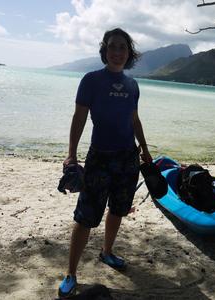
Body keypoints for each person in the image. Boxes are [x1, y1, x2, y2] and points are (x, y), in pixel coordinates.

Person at [58, 28, 152, 297]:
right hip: (99, 157)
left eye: (122, 47)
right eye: (113, 47)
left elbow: (134, 120)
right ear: (105, 50)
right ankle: (71, 273)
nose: (117, 52)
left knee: (118, 209)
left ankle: (107, 252)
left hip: (128, 158)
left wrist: (144, 149)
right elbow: (79, 119)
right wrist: (72, 153)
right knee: (86, 216)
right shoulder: (91, 80)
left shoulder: (133, 85)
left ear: (128, 53)